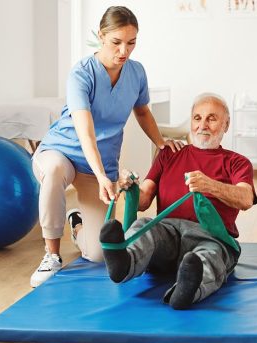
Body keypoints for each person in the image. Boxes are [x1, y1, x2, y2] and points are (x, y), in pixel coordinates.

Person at [30, 6, 183, 288]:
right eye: (116, 42)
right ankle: (51, 256)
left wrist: (161, 143)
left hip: (99, 164)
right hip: (62, 151)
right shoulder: (82, 74)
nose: (124, 51)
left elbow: (142, 112)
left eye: (131, 42)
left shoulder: (136, 73)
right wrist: (102, 177)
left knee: (99, 255)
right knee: (53, 170)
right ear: (101, 36)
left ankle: (76, 225)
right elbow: (85, 132)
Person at [99, 93, 257, 309]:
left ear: (226, 124)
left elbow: (246, 198)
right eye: (197, 118)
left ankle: (186, 290)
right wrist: (129, 186)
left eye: (211, 118)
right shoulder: (169, 154)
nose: (203, 125)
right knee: (143, 227)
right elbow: (143, 200)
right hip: (167, 234)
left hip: (211, 237)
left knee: (211, 256)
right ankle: (123, 264)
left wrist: (210, 185)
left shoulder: (237, 162)